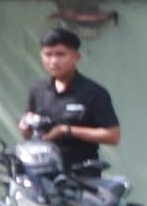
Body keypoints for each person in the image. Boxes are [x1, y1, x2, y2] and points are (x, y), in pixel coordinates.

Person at [22, 25, 117, 165]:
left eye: (60, 54)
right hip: (43, 170)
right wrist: (25, 127)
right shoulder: (38, 89)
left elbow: (113, 136)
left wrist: (67, 131)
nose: (53, 61)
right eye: (48, 54)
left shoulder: (94, 92)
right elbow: (30, 134)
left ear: (76, 57)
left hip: (80, 174)